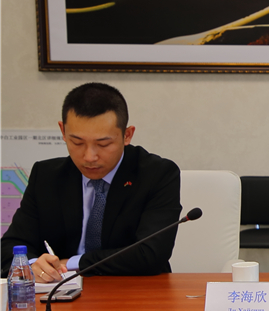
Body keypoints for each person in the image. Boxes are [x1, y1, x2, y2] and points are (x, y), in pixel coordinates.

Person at [1, 83, 182, 278]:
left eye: (103, 144)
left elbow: (150, 254)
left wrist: (73, 263)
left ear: (127, 135)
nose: (89, 157)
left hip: (135, 289)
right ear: (62, 131)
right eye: (77, 142)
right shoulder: (46, 176)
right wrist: (32, 265)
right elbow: (10, 247)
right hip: (60, 289)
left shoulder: (157, 174)